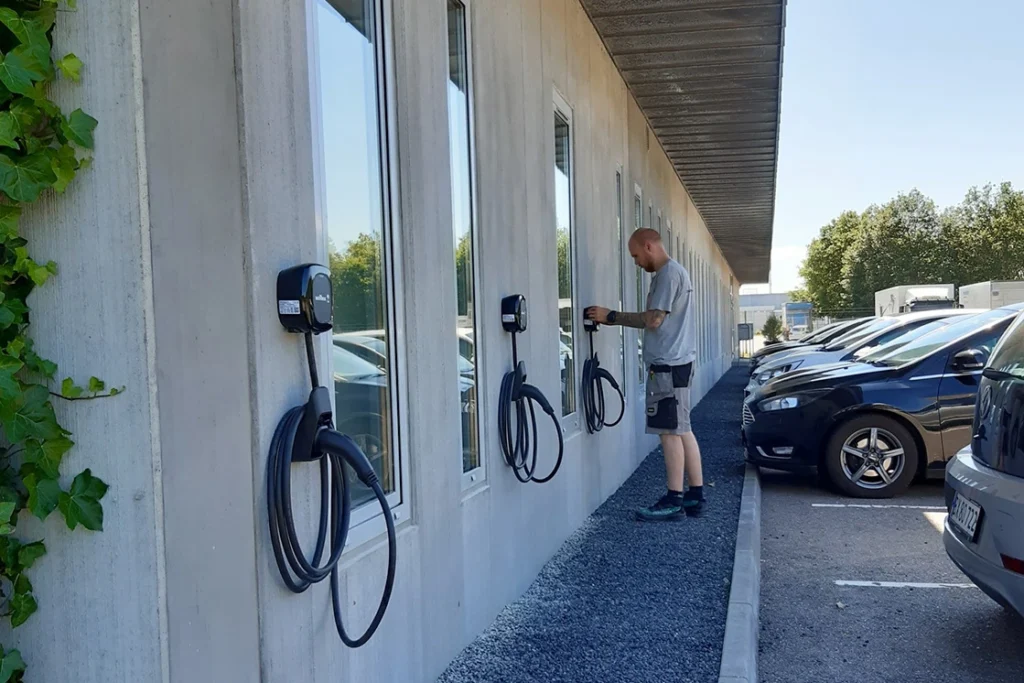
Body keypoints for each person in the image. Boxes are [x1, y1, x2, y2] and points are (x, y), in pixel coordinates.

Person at [585, 228, 704, 521]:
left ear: (649, 247)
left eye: (636, 255)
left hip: (667, 365)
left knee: (669, 432)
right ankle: (695, 495)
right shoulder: (677, 273)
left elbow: (653, 320)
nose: (636, 262)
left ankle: (674, 499)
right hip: (680, 362)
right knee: (683, 428)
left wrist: (611, 317)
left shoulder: (667, 275)